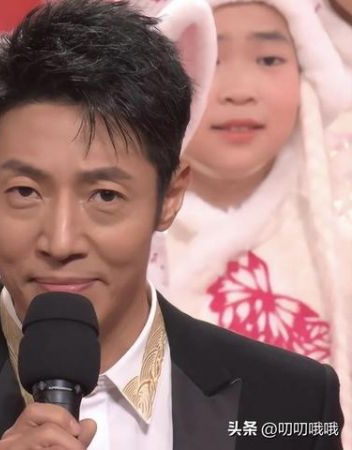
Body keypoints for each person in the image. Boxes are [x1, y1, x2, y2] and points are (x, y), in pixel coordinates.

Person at [0, 1, 344, 449]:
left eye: (105, 196)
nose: (61, 241)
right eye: (25, 192)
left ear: (170, 195)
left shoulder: (292, 404)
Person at [159, 0, 351, 443]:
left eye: (269, 60)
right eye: (210, 58)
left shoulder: (340, 212)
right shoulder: (110, 231)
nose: (239, 91)